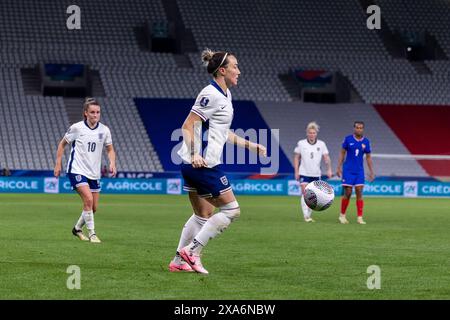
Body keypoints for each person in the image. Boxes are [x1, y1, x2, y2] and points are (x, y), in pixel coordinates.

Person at [168, 49, 267, 274]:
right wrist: (195, 154)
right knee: (232, 210)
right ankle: (192, 252)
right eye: (235, 67)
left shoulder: (225, 95)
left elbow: (223, 132)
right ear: (222, 70)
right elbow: (188, 125)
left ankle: (178, 261)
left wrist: (251, 145)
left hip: (195, 163)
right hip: (202, 164)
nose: (239, 71)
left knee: (202, 215)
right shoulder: (210, 94)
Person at [54, 98, 116, 243]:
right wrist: (58, 164)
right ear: (86, 113)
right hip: (77, 170)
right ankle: (92, 234)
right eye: (92, 112)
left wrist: (112, 162)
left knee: (93, 208)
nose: (95, 115)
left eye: (98, 112)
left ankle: (77, 229)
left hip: (94, 172)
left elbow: (110, 149)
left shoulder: (104, 130)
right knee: (87, 200)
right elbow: (62, 144)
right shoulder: (77, 128)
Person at [336, 121, 375, 225]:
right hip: (348, 170)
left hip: (359, 171)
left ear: (363, 129)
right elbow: (342, 153)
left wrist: (371, 171)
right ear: (354, 128)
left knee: (359, 192)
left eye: (361, 128)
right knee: (348, 193)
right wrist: (339, 167)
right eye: (357, 127)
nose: (359, 129)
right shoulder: (348, 139)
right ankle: (342, 215)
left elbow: (368, 157)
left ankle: (359, 217)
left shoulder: (366, 142)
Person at [294, 122, 332, 222]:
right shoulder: (301, 143)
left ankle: (309, 216)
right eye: (310, 133)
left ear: (316, 134)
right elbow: (296, 157)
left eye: (313, 133)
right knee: (305, 193)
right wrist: (296, 171)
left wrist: (329, 169)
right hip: (304, 172)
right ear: (307, 133)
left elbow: (326, 157)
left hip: (316, 173)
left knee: (314, 195)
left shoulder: (321, 144)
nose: (312, 134)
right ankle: (306, 216)